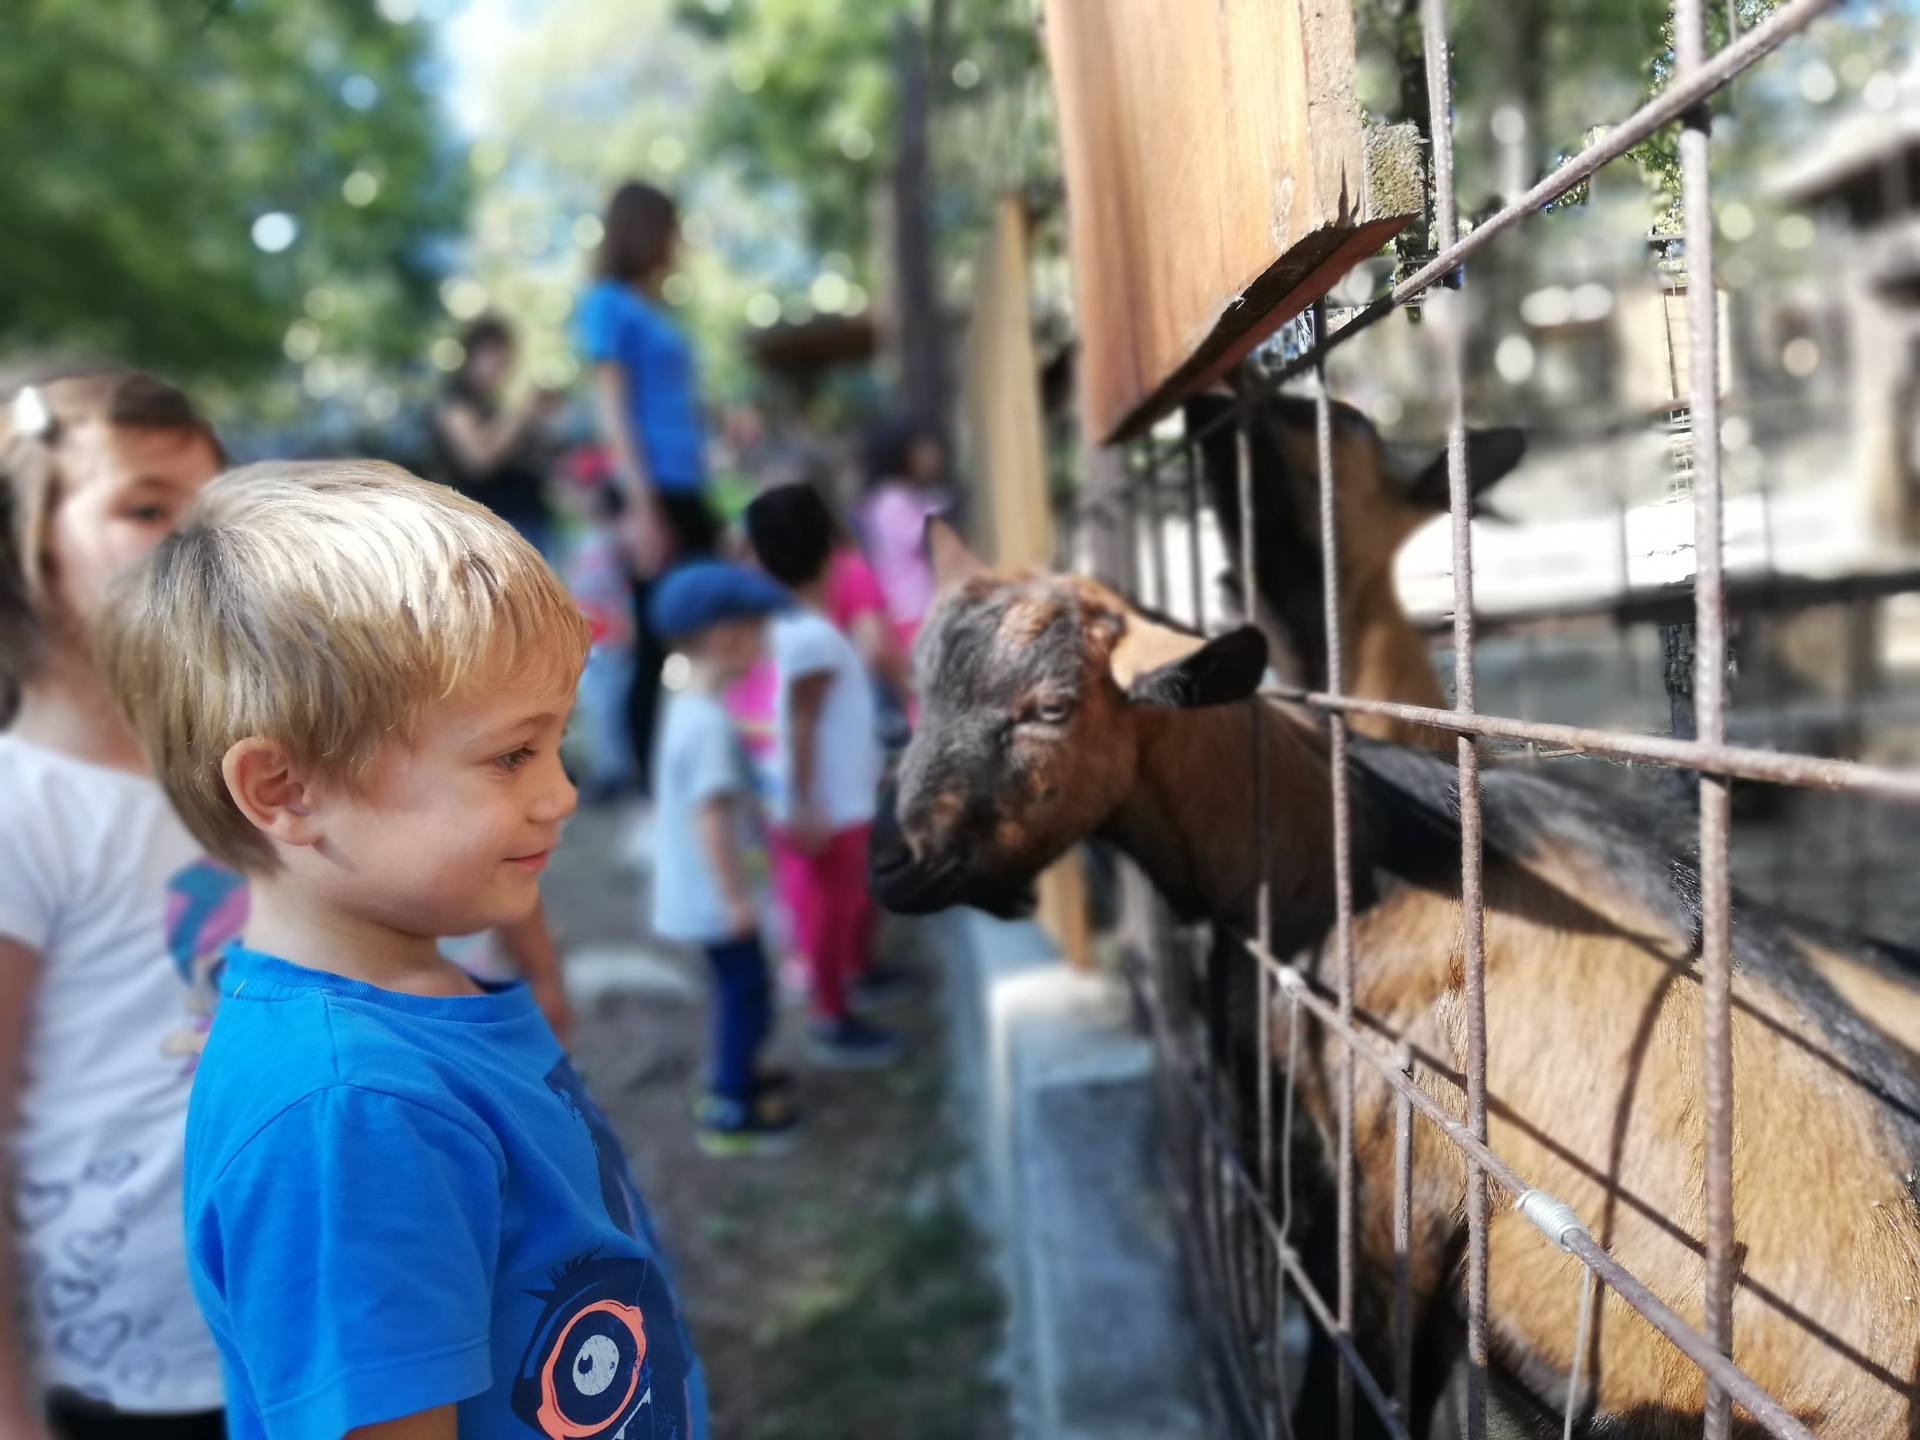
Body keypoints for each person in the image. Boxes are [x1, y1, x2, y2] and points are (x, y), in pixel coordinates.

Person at [97, 461, 705, 1438]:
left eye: (556, 746)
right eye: (512, 754)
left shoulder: (415, 998)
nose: (560, 794)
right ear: (286, 789)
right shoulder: (347, 1115)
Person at [0, 369, 230, 1439]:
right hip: (123, 1375)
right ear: (31, 535)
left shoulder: (235, 759)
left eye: (209, 506)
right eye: (146, 508)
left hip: (283, 1316)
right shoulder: (21, 807)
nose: (193, 540)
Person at [647, 562, 802, 1155]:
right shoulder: (708, 724)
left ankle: (733, 1075)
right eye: (759, 632)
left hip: (696, 896)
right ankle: (731, 1107)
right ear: (725, 637)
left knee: (736, 991)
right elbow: (711, 815)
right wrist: (736, 899)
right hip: (716, 902)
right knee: (747, 994)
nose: (764, 646)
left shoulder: (686, 708)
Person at [743, 485, 901, 1067]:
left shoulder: (796, 628)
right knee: (830, 913)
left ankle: (844, 997)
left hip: (833, 800)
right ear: (831, 548)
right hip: (825, 809)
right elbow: (801, 725)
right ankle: (831, 1018)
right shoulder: (808, 634)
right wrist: (804, 801)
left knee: (841, 906)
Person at [579, 181, 717, 794]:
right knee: (659, 644)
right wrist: (642, 510)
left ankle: (694, 782)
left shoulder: (651, 308)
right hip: (655, 492)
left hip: (685, 486)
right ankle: (656, 793)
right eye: (670, 227)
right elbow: (613, 415)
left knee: (708, 631)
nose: (676, 241)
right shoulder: (607, 304)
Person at [431, 315, 559, 554]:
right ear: (476, 353)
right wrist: (520, 414)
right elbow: (479, 459)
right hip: (491, 527)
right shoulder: (455, 402)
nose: (504, 367)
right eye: (498, 357)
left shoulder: (489, 404)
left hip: (523, 518)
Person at [856, 415, 952, 653]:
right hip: (912, 610)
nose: (929, 455)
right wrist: (950, 505)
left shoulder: (892, 497)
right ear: (899, 455)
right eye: (919, 450)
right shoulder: (892, 500)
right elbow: (924, 531)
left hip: (911, 609)